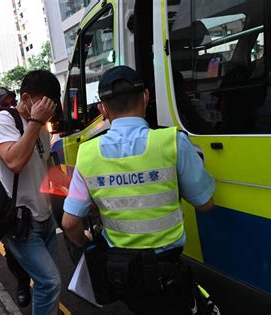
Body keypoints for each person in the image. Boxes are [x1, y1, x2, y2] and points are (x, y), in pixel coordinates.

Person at [62, 66, 216, 314]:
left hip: (122, 275)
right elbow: (205, 203)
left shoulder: (87, 153)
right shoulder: (172, 142)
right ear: (146, 96)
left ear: (102, 110)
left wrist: (88, 244)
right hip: (167, 273)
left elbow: (69, 223)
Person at [0, 70, 60, 314]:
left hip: (45, 218)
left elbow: (44, 167)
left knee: (47, 283)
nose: (49, 111)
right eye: (45, 104)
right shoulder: (3, 121)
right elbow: (14, 161)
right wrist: (36, 122)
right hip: (21, 224)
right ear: (27, 98)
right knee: (49, 282)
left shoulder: (41, 127)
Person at [0, 86, 31, 308]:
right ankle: (23, 284)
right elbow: (13, 162)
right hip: (5, 206)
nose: (9, 108)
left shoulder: (21, 123)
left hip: (30, 204)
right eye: (3, 104)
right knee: (14, 252)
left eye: (11, 102)